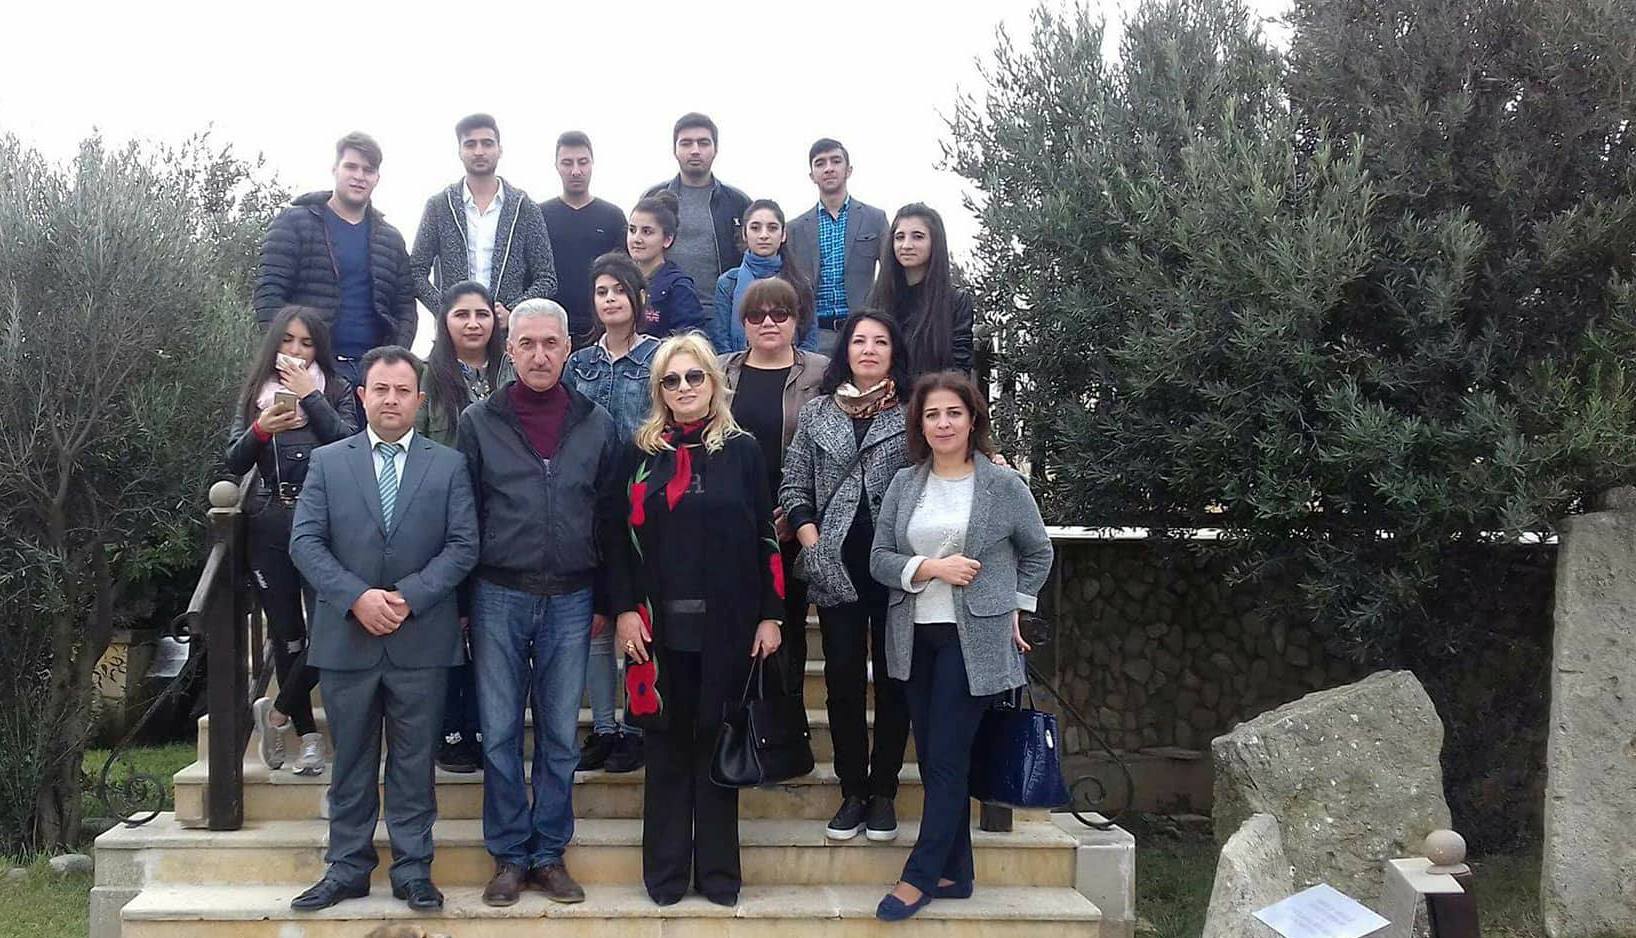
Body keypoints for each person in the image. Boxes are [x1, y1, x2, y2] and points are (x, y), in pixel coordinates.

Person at [287, 345, 480, 913]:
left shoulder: (448, 465)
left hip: (422, 639)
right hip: (348, 639)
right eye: (381, 390)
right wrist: (357, 598)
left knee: (414, 763)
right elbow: (305, 542)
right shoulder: (329, 462)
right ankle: (346, 867)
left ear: (419, 400)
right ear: (361, 395)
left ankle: (413, 868)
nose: (391, 400)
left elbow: (464, 545)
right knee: (350, 760)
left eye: (402, 391)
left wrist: (409, 597)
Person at [455, 299, 624, 907]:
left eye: (551, 343)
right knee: (500, 733)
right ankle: (508, 855)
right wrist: (462, 600)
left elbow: (610, 518)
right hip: (497, 594)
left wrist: (608, 596)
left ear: (567, 348)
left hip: (573, 598)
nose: (539, 355)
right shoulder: (479, 421)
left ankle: (549, 854)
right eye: (527, 343)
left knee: (558, 736)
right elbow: (464, 513)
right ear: (509, 349)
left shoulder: (597, 423)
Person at [867, 370, 1053, 921]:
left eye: (953, 413)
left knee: (946, 758)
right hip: (913, 636)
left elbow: (1038, 552)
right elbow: (880, 560)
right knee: (933, 758)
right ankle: (957, 872)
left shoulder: (1003, 485)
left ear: (972, 419)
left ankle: (920, 876)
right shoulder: (905, 484)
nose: (943, 423)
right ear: (920, 425)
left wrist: (1017, 606)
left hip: (975, 641)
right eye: (932, 415)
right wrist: (930, 567)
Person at [607, 332, 784, 907]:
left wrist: (771, 615)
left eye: (694, 376)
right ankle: (664, 876)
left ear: (714, 381)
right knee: (665, 751)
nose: (684, 388)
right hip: (656, 630)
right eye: (671, 380)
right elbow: (617, 540)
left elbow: (765, 536)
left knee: (715, 747)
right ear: (659, 390)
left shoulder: (743, 451)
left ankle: (718, 875)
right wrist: (625, 611)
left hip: (727, 627)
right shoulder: (639, 453)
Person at [780, 310, 912, 844]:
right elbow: (794, 485)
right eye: (859, 341)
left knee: (896, 679)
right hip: (834, 562)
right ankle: (852, 789)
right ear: (846, 351)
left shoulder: (912, 412)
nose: (869, 349)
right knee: (841, 678)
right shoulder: (817, 413)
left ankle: (884, 791)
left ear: (894, 352)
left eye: (880, 341)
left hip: (896, 565)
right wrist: (811, 540)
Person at [234, 307, 359, 777]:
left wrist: (312, 397)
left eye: (306, 343)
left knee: (334, 629)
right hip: (270, 524)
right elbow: (232, 459)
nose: (296, 351)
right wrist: (261, 428)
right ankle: (308, 740)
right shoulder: (256, 392)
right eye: (287, 340)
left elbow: (351, 445)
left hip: (326, 524)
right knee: (287, 637)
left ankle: (277, 712)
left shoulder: (338, 388)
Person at [564, 253, 661, 774]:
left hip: (647, 501)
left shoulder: (659, 358)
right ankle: (604, 727)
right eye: (601, 291)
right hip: (590, 504)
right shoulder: (579, 363)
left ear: (638, 298)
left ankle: (637, 725)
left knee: (639, 617)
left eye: (619, 290)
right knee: (597, 621)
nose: (610, 299)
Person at [414, 281, 507, 774]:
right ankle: (452, 729)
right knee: (450, 626)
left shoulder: (510, 369)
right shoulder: (428, 377)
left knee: (488, 629)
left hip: (502, 519)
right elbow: (417, 446)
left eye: (482, 313)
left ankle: (487, 726)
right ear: (444, 322)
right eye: (461, 314)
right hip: (444, 520)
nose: (473, 323)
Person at [717, 277, 828, 691]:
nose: (768, 322)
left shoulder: (820, 372)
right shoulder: (719, 370)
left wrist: (799, 514)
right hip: (733, 521)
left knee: (789, 630)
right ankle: (738, 722)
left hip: (792, 521)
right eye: (756, 315)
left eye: (780, 314)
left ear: (796, 320)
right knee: (734, 624)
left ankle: (786, 724)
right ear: (743, 322)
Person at [253, 132, 417, 386]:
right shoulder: (294, 222)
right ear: (335, 169)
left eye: (368, 170)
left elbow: (405, 306)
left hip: (372, 374)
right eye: (351, 166)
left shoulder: (390, 238)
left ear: (377, 178)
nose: (359, 176)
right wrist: (288, 358)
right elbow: (269, 293)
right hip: (311, 370)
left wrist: (394, 358)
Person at [409, 114, 558, 331]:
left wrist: (513, 311)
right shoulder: (439, 205)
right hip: (453, 335)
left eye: (487, 143)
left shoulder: (524, 207)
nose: (479, 151)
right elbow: (416, 270)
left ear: (500, 149)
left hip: (506, 335)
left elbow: (546, 278)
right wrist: (445, 310)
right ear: (460, 151)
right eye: (470, 144)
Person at [787, 139, 891, 357]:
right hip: (814, 334)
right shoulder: (795, 229)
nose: (829, 168)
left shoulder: (874, 218)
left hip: (862, 331)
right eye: (820, 163)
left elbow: (891, 272)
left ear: (849, 170)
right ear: (812, 175)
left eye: (835, 161)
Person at [643, 112, 751, 318]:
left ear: (715, 149)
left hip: (722, 314)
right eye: (686, 143)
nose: (695, 150)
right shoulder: (653, 198)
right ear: (674, 150)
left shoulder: (737, 202)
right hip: (661, 311)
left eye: (703, 143)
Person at [867, 204, 974, 379]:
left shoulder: (955, 301)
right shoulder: (878, 297)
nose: (906, 245)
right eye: (899, 237)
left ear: (935, 242)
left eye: (917, 237)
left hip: (934, 393)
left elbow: (960, 368)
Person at [541, 131, 628, 346]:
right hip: (550, 327)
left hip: (601, 326)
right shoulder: (540, 215)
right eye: (567, 163)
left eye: (582, 162)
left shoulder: (613, 216)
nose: (576, 171)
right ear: (556, 166)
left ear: (592, 164)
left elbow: (625, 275)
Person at [709, 198, 816, 354]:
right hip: (738, 366)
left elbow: (810, 339)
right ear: (744, 234)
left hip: (793, 366)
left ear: (783, 235)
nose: (764, 235)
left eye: (772, 228)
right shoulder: (728, 283)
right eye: (755, 228)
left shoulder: (799, 282)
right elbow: (721, 340)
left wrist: (795, 366)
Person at [627, 191, 707, 336]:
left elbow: (689, 339)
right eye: (632, 230)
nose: (637, 239)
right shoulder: (621, 279)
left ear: (667, 239)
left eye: (647, 232)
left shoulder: (678, 286)